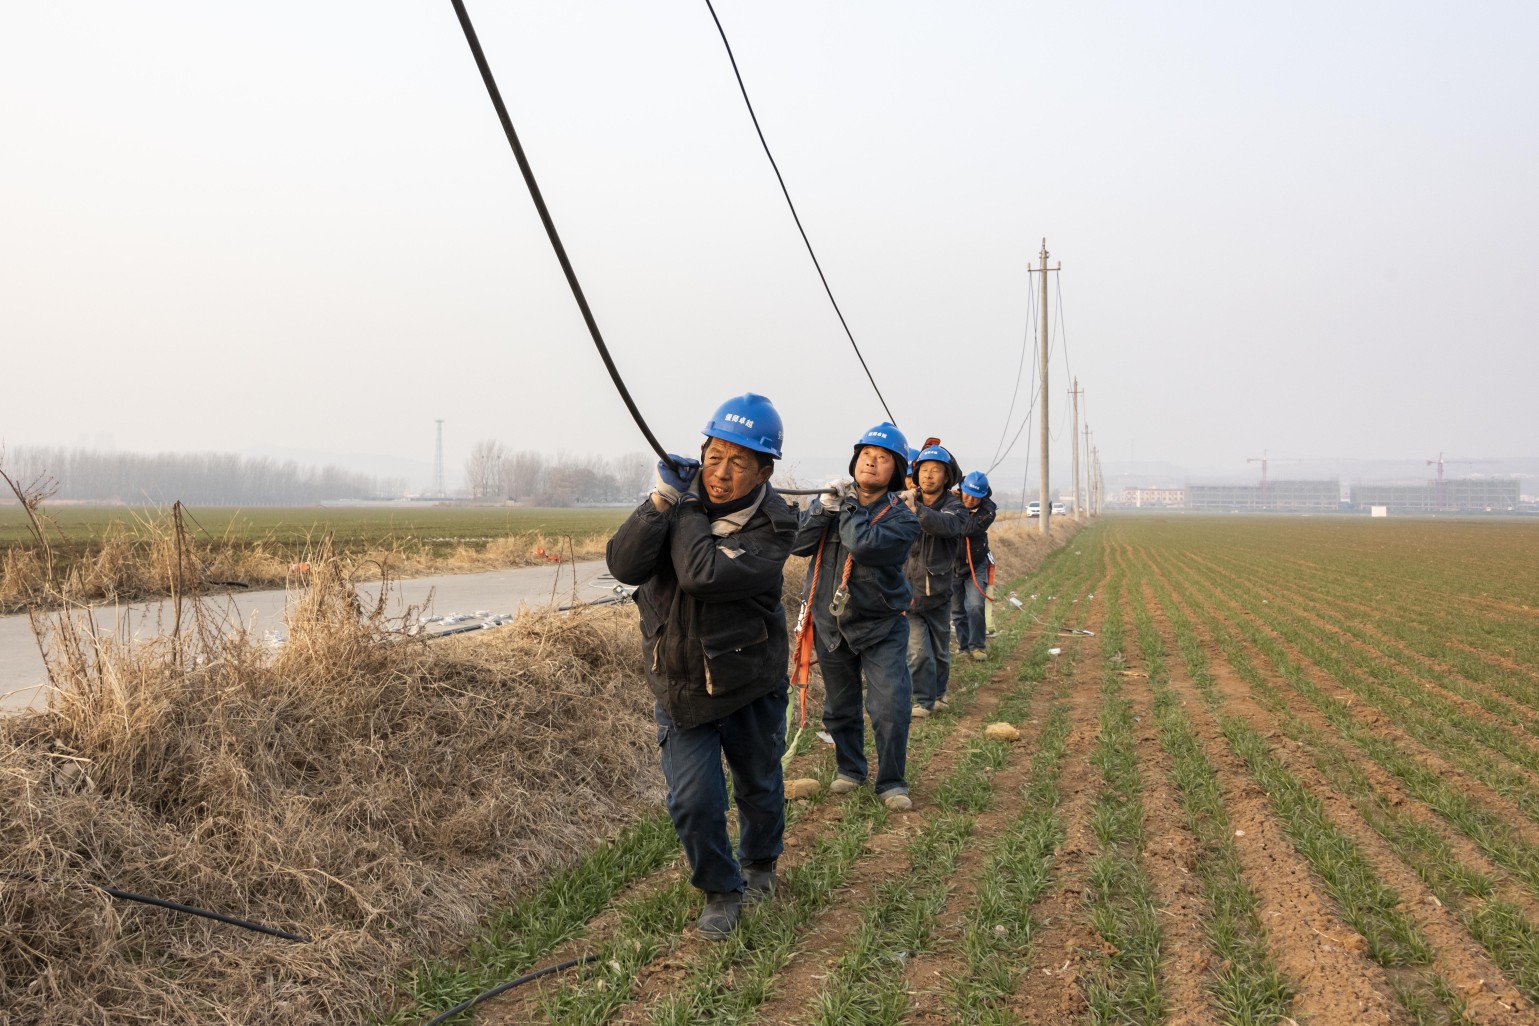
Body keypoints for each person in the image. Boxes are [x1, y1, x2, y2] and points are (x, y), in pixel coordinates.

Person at [605, 393, 797, 941]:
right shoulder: (677, 505)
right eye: (714, 457)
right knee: (694, 800)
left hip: (749, 681)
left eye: (738, 462)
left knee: (758, 783)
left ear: (764, 472)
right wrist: (660, 501)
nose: (721, 473)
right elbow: (623, 565)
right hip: (680, 685)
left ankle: (760, 862)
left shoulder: (775, 526)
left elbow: (702, 574)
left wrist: (686, 508)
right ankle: (720, 889)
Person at [791, 422, 920, 812]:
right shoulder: (834, 507)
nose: (871, 462)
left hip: (881, 626)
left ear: (895, 471)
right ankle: (850, 769)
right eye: (866, 455)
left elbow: (862, 544)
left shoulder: (902, 519)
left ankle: (892, 781)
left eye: (882, 458)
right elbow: (798, 545)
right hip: (831, 625)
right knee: (839, 707)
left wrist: (846, 506)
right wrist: (821, 509)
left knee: (890, 706)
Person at [902, 441, 968, 717]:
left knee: (940, 652)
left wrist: (917, 510)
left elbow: (947, 526)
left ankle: (939, 693)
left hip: (938, 594)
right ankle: (924, 700)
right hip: (907, 594)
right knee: (917, 652)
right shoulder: (903, 500)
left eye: (936, 470)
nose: (928, 475)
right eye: (924, 469)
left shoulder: (955, 507)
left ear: (946, 476)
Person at [952, 470, 998, 661]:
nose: (970, 500)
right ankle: (963, 647)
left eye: (975, 497)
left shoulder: (988, 512)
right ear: (961, 489)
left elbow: (966, 529)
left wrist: (954, 503)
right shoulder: (951, 502)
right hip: (952, 564)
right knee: (957, 610)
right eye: (967, 494)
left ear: (983, 496)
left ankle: (977, 646)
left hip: (976, 564)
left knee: (975, 606)